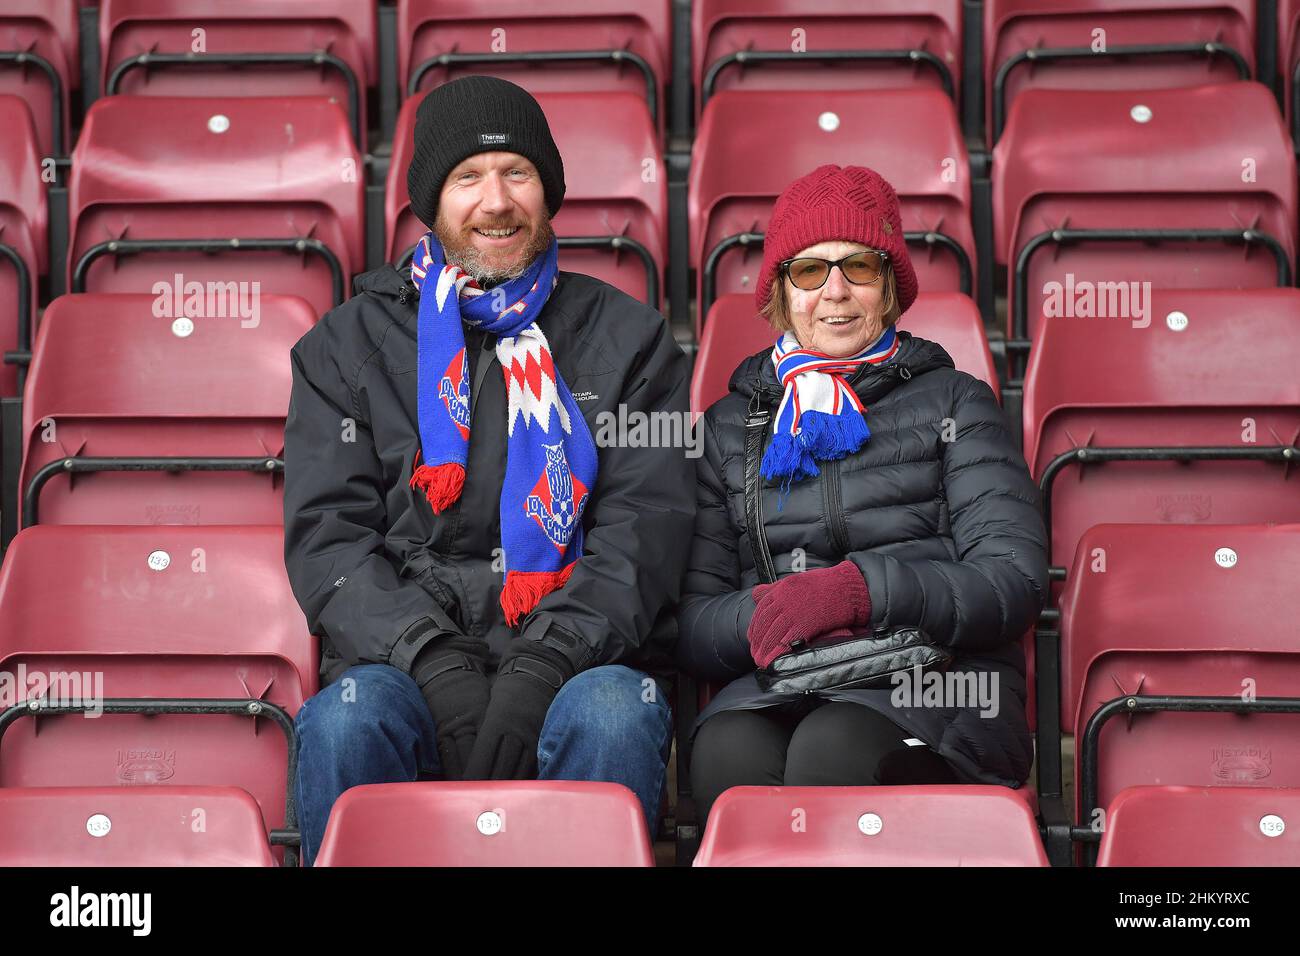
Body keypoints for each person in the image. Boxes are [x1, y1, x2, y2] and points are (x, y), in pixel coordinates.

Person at [283, 76, 693, 865]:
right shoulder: (345, 347)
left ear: (550, 194)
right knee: (346, 719)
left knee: (616, 712)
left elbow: (646, 533)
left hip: (578, 658)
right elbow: (328, 541)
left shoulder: (630, 340)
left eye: (518, 174)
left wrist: (544, 662)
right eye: (468, 178)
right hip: (404, 658)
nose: (496, 201)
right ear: (430, 204)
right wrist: (432, 662)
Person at [677, 164, 1048, 824]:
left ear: (890, 289)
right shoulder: (730, 428)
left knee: (834, 747)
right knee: (723, 754)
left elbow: (1011, 582)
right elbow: (693, 619)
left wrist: (858, 591)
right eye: (811, 271)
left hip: (939, 683)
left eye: (860, 268)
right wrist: (768, 610)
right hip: (785, 684)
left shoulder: (958, 402)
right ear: (780, 293)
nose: (836, 292)